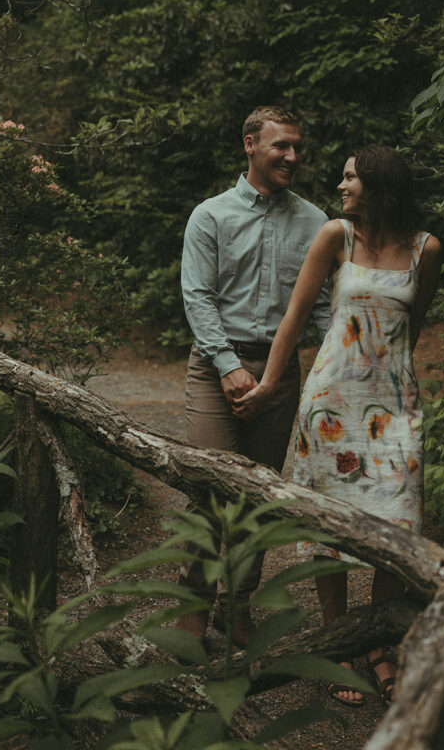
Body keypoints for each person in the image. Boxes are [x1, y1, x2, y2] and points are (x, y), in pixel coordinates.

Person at [234, 145, 442, 706]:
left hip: (394, 409)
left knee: (392, 529)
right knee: (332, 528)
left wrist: (388, 381)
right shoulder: (334, 237)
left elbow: (411, 328)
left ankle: (377, 646)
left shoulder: (426, 249)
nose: (341, 185)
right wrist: (270, 385)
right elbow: (295, 319)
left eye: (350, 178)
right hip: (331, 403)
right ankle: (338, 645)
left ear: (378, 186)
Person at [178, 106, 331, 647]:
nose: (292, 156)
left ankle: (237, 603)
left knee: (258, 494)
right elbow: (197, 296)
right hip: (214, 366)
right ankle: (192, 606)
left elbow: (322, 308)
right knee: (205, 486)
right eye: (280, 146)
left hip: (280, 370)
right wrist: (225, 367)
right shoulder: (210, 216)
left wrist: (342, 361)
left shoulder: (316, 222)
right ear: (249, 144)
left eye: (296, 146)